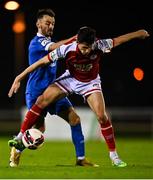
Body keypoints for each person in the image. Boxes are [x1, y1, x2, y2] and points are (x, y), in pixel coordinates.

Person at [8, 26, 149, 167]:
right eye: (82, 48)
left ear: (93, 43)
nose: (85, 51)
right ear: (77, 43)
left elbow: (119, 40)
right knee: (41, 101)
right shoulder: (67, 48)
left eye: (88, 48)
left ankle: (114, 156)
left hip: (90, 83)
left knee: (101, 116)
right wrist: (19, 77)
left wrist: (138, 34)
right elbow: (42, 61)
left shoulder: (99, 44)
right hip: (70, 79)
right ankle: (19, 137)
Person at [8, 9, 97, 168]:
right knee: (39, 128)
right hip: (36, 91)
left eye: (53, 24)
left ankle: (81, 159)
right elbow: (55, 46)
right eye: (47, 23)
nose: (51, 26)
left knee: (74, 119)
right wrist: (75, 39)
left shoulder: (51, 42)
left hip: (53, 90)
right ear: (38, 23)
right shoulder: (37, 43)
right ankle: (17, 149)